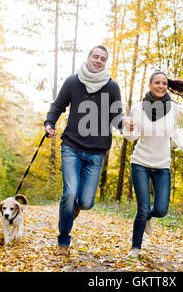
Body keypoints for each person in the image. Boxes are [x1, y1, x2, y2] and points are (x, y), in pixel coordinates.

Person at [44, 45, 126, 257]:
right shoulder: (73, 81)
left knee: (87, 202)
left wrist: (127, 124)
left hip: (96, 153)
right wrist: (49, 123)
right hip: (71, 146)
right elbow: (58, 105)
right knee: (69, 194)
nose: (98, 61)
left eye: (103, 59)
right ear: (88, 58)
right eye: (95, 57)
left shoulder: (111, 87)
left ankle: (77, 207)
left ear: (106, 62)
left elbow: (117, 116)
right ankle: (63, 241)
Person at [122, 70, 183, 258]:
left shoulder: (173, 108)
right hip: (140, 162)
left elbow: (174, 131)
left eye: (164, 83)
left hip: (162, 165)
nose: (161, 86)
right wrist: (128, 127)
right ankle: (135, 249)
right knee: (142, 207)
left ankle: (149, 216)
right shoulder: (138, 108)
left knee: (162, 209)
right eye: (157, 83)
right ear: (150, 86)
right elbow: (131, 137)